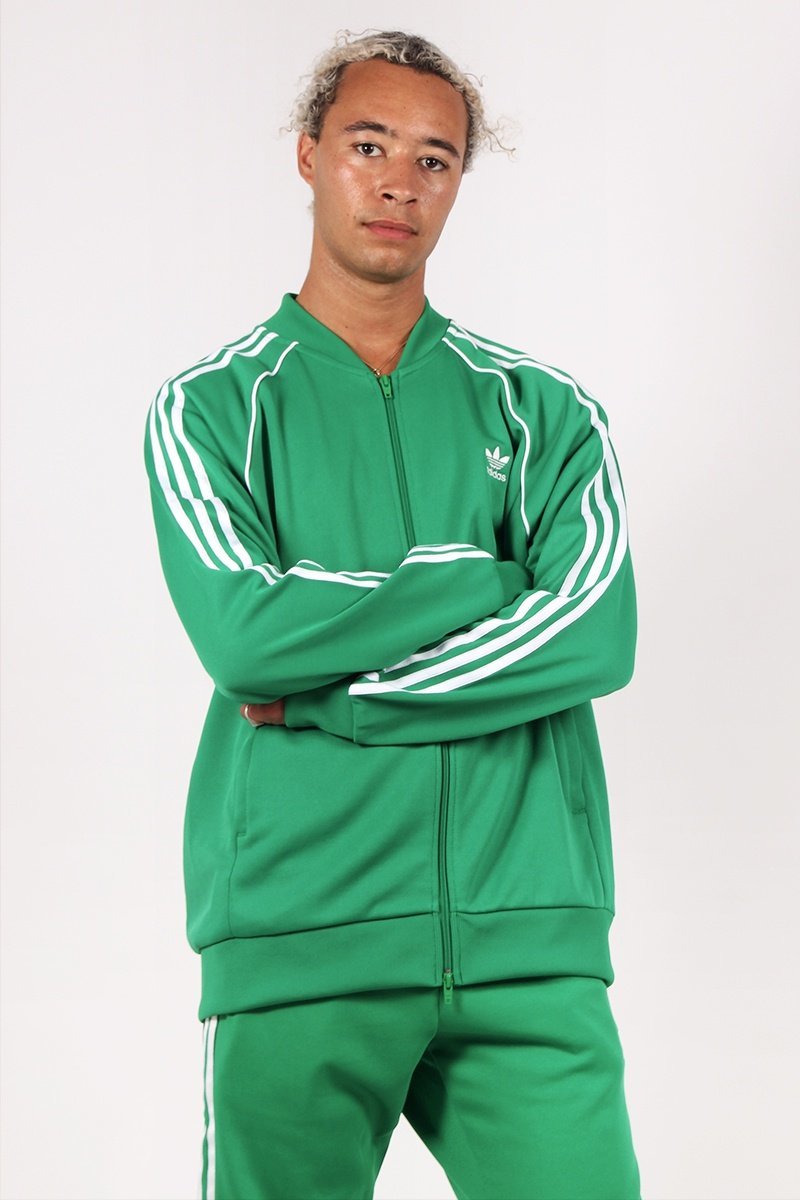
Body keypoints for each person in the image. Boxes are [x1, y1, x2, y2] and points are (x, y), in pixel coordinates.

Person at [144, 28, 642, 1200]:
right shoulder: (210, 408)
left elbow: (592, 631)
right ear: (309, 154)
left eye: (433, 158)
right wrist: (479, 578)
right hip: (298, 936)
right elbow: (245, 637)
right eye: (368, 145)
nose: (398, 183)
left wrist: (342, 700)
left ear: (457, 182)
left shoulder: (543, 412)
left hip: (528, 939)